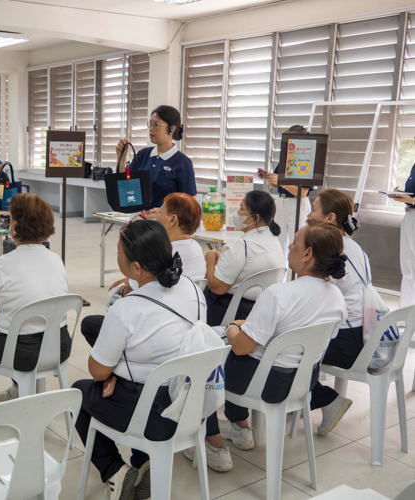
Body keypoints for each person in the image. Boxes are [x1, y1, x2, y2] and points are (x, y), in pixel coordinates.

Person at [193, 220, 347, 472]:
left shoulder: (279, 295)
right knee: (241, 351)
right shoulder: (335, 297)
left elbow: (242, 346)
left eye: (295, 241)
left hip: (263, 384)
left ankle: (214, 445)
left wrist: (233, 327)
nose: (289, 245)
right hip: (302, 382)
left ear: (308, 254)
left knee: (204, 357)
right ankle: (239, 428)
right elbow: (294, 332)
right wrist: (251, 325)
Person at [73, 220, 206, 500]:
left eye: (119, 252)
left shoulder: (127, 309)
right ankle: (144, 464)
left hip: (152, 414)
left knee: (78, 393)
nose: (116, 256)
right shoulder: (193, 289)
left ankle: (116, 472)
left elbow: (97, 371)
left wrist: (111, 373)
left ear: (136, 268)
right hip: (189, 405)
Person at [0, 193, 71, 425]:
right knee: (13, 332)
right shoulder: (56, 259)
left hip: (20, 355)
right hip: (59, 347)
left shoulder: (1, 265)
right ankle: (16, 389)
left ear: (14, 225)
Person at [81, 192, 205, 346]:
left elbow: (132, 293)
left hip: (152, 325)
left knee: (92, 323)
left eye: (160, 211)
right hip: (183, 325)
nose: (156, 216)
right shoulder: (197, 249)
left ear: (172, 219)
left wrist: (125, 286)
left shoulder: (164, 253)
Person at [307, 189, 367, 433]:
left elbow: (316, 299)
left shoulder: (333, 249)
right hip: (363, 335)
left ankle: (326, 399)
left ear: (330, 218)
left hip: (346, 343)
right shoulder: (355, 246)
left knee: (284, 350)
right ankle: (302, 400)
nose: (309, 215)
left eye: (313, 210)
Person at [204, 190, 286, 327]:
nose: (237, 213)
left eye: (241, 209)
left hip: (231, 312)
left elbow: (217, 288)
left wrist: (210, 259)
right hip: (262, 311)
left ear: (256, 218)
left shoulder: (241, 246)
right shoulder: (274, 241)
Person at [116, 105, 196, 215]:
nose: (151, 129)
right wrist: (121, 157)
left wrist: (162, 212)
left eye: (156, 125)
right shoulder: (143, 155)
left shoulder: (182, 163)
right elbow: (125, 184)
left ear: (172, 129)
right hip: (138, 218)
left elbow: (191, 204)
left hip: (166, 224)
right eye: (150, 124)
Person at [257, 125, 314, 258]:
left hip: (297, 204)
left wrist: (281, 181)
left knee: (298, 241)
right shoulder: (286, 159)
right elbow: (277, 185)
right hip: (281, 202)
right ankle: (280, 277)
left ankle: (296, 274)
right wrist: (268, 177)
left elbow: (302, 192)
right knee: (278, 242)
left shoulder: (306, 160)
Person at [393, 167, 415, 307]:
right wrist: (402, 194)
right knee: (407, 266)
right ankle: (405, 310)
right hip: (409, 215)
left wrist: (412, 200)